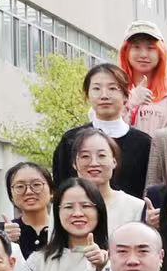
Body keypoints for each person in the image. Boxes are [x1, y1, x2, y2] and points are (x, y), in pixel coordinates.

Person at [56, 64, 154, 198]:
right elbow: (61, 188)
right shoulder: (71, 140)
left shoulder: (144, 143)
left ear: (126, 95)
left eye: (112, 88)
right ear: (87, 95)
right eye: (96, 88)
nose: (104, 95)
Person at [116, 20, 167, 133]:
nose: (143, 55)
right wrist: (130, 101)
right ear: (126, 52)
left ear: (161, 53)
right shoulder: (113, 87)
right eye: (136, 47)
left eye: (150, 48)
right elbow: (105, 127)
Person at [3, 161, 55, 254]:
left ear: (51, 191)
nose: (29, 192)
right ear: (11, 196)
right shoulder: (1, 233)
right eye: (20, 186)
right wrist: (3, 242)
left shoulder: (64, 229)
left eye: (36, 184)